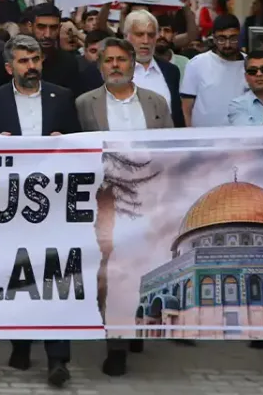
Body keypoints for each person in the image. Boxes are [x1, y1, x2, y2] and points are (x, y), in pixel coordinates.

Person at [0, 34, 79, 386]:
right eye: (23, 61)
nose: (31, 66)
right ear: (9, 68)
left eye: (35, 59)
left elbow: (79, 143)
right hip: (11, 204)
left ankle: (58, 357)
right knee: (18, 275)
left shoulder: (62, 97)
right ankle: (20, 342)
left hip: (54, 202)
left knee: (56, 274)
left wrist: (64, 143)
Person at [75, 37, 173, 378]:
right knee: (110, 269)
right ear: (100, 65)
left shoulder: (156, 102)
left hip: (149, 197)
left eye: (121, 59)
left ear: (133, 63)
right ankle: (115, 343)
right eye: (109, 60)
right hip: (106, 199)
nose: (115, 66)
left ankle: (135, 324)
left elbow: (171, 149)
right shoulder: (85, 104)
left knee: (142, 266)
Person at [180, 14, 248, 127]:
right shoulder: (197, 63)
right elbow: (186, 108)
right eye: (221, 39)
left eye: (233, 39)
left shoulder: (250, 65)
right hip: (204, 135)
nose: (227, 44)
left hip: (241, 134)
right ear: (214, 38)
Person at [122, 10, 184, 126]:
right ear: (126, 37)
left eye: (151, 35)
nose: (146, 41)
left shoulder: (171, 71)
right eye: (139, 35)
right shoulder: (113, 71)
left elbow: (177, 116)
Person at [226, 50, 263, 126]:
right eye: (252, 71)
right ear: (246, 77)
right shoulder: (237, 105)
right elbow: (248, 131)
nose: (259, 74)